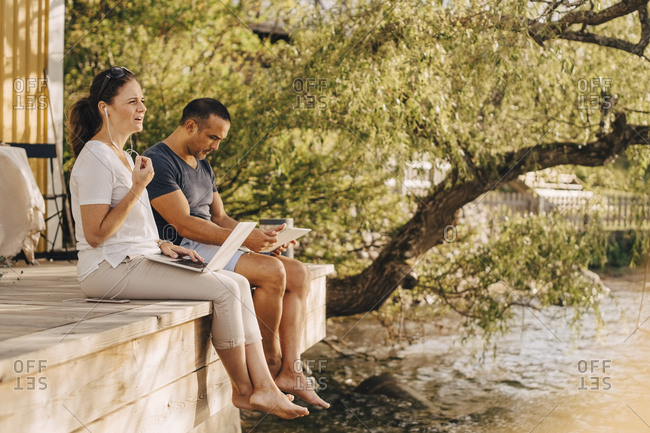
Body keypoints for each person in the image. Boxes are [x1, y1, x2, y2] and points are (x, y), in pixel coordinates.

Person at [67, 67, 308, 419]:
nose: (142, 108)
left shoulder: (124, 156)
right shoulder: (95, 158)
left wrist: (162, 245)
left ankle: (266, 389)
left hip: (136, 258)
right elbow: (96, 235)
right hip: (106, 270)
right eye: (132, 101)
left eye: (143, 100)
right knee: (225, 290)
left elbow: (133, 227)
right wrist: (138, 187)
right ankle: (244, 391)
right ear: (105, 108)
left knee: (238, 283)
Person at [143, 98, 330, 408]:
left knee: (298, 272)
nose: (216, 146)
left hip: (213, 241)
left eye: (220, 139)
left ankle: (291, 372)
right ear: (190, 126)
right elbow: (185, 224)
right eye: (212, 137)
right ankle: (270, 363)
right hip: (184, 249)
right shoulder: (159, 161)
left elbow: (221, 219)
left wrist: (263, 237)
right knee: (273, 273)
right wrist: (245, 239)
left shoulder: (202, 163)